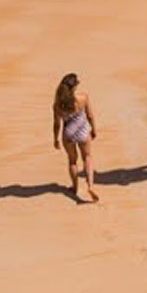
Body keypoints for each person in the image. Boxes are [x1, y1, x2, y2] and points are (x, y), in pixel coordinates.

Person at [52, 73, 99, 202]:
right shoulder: (83, 98)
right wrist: (94, 129)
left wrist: (55, 139)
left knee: (72, 161)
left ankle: (75, 187)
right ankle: (90, 185)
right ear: (74, 87)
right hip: (83, 131)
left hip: (68, 133)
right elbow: (90, 116)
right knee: (87, 157)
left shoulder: (58, 105)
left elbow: (57, 124)